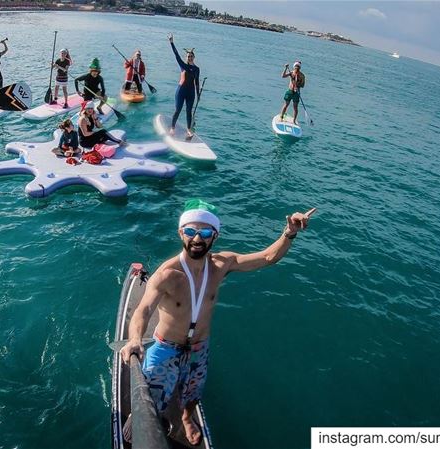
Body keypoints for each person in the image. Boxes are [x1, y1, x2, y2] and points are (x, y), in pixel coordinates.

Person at [120, 199, 316, 446]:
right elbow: (143, 310)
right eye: (190, 231)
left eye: (204, 232)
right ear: (181, 232)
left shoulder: (221, 265)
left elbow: (267, 257)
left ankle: (187, 417)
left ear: (215, 235)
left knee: (193, 390)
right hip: (166, 346)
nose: (197, 238)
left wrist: (289, 233)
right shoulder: (167, 274)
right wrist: (136, 339)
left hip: (199, 348)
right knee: (149, 400)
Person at [167, 33, 200, 139]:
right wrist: (172, 42)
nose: (190, 58)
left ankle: (189, 130)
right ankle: (172, 127)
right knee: (178, 110)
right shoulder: (183, 65)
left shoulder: (197, 69)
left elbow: (197, 82)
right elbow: (176, 55)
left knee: (189, 111)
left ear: (194, 57)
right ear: (186, 57)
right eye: (188, 56)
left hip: (191, 92)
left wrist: (198, 94)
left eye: (191, 56)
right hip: (181, 91)